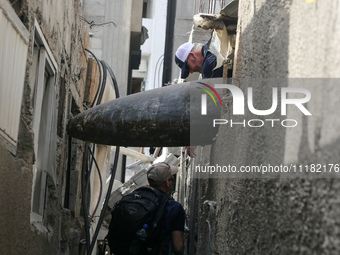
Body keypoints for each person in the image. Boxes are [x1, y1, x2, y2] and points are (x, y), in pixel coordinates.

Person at [147, 162, 185, 255]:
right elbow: (178, 247)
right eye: (171, 179)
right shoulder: (174, 208)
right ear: (167, 183)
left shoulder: (137, 200)